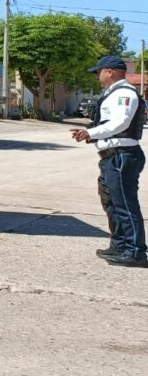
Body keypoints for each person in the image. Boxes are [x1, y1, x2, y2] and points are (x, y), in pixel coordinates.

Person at [70, 55, 147, 267]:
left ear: (110, 71)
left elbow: (121, 122)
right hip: (112, 156)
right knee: (112, 203)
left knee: (125, 204)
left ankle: (135, 251)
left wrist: (90, 132)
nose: (97, 76)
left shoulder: (125, 94)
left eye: (99, 71)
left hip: (122, 155)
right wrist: (91, 132)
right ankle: (120, 245)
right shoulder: (113, 93)